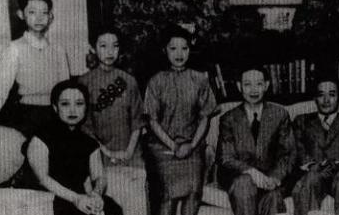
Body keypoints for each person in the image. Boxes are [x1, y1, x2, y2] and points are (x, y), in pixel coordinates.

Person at [144, 25, 217, 215]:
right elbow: (152, 121)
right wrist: (174, 146)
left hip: (193, 147)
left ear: (190, 50)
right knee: (169, 195)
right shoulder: (156, 81)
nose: (179, 54)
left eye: (184, 48)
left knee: (194, 193)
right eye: (173, 48)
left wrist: (191, 145)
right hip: (163, 149)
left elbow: (205, 117)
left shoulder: (200, 79)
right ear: (165, 50)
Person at [26, 80, 122, 215]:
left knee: (112, 208)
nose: (72, 110)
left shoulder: (89, 143)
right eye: (65, 104)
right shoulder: (40, 138)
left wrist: (96, 194)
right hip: (43, 196)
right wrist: (76, 199)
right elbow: (42, 179)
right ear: (55, 107)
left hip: (75, 197)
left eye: (79, 104)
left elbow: (99, 176)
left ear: (85, 108)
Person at [79, 27, 147, 215]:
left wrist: (129, 151)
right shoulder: (84, 83)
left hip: (131, 156)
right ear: (93, 48)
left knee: (136, 206)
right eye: (103, 46)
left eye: (115, 46)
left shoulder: (129, 81)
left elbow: (137, 121)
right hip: (101, 157)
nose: (110, 52)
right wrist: (108, 152)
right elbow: (85, 128)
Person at [0, 0, 70, 136]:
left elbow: (65, 88)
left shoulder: (58, 50)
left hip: (56, 114)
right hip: (27, 115)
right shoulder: (15, 48)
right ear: (21, 14)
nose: (39, 18)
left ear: (50, 17)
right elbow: (1, 85)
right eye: (32, 12)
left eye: (44, 13)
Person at [217, 68, 295, 215]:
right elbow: (226, 158)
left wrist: (275, 178)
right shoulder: (228, 119)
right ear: (239, 86)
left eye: (258, 84)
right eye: (247, 84)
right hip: (238, 176)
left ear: (266, 85)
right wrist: (252, 173)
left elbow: (287, 154)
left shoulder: (280, 114)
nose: (253, 90)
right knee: (244, 184)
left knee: (273, 197)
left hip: (269, 177)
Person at [292, 80, 339, 215]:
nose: (326, 100)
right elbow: (297, 149)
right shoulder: (301, 121)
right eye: (321, 95)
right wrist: (313, 165)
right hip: (313, 173)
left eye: (332, 95)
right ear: (315, 98)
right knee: (310, 179)